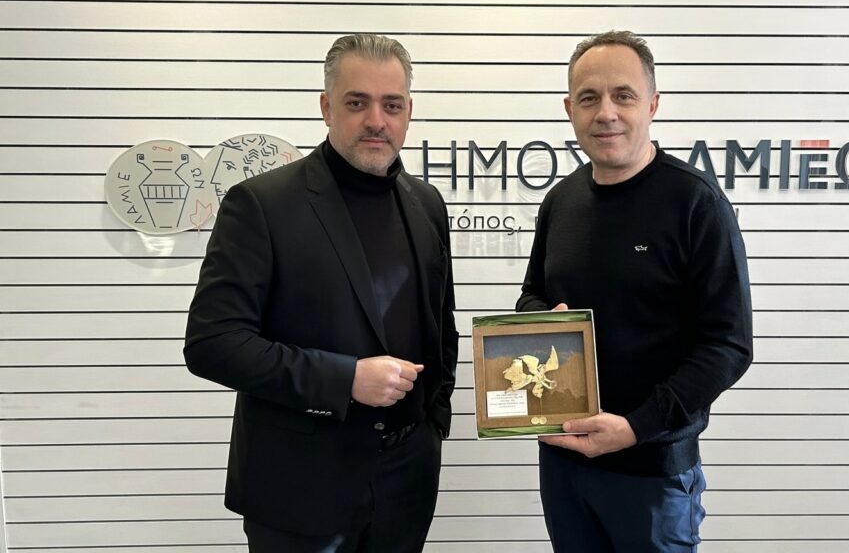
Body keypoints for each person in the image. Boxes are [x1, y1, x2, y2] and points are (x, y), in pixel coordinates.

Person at [184, 34, 458, 553]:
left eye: (391, 105)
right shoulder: (261, 204)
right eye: (357, 103)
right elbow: (212, 344)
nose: (376, 120)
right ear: (327, 107)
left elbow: (439, 325)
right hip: (299, 488)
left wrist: (433, 425)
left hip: (407, 480)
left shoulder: (426, 203)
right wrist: (344, 379)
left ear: (409, 111)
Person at [516, 30, 754, 552]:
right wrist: (547, 318)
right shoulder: (560, 200)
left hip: (652, 473)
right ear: (569, 110)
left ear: (652, 104)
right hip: (564, 463)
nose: (606, 113)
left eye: (623, 95)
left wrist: (636, 427)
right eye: (589, 98)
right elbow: (531, 295)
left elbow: (729, 346)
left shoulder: (696, 203)